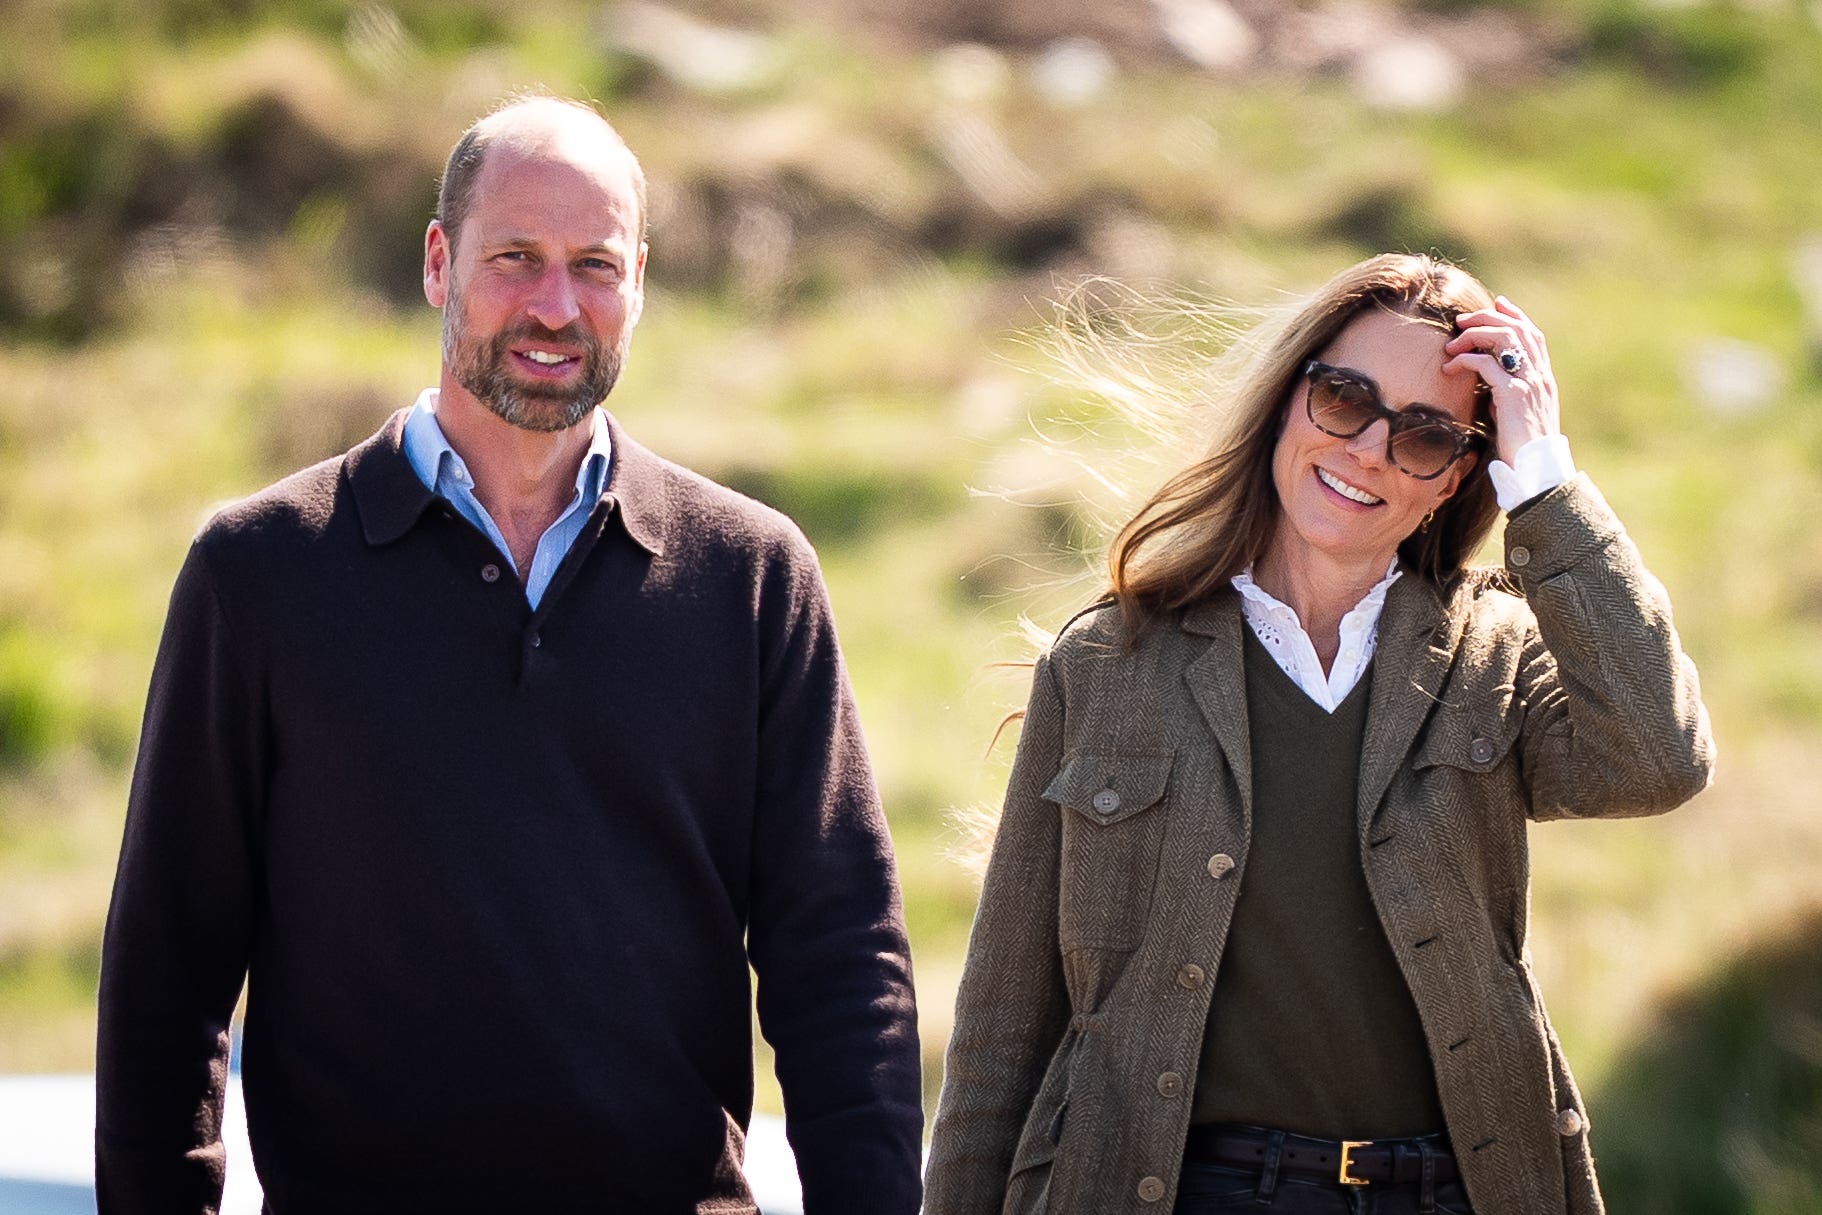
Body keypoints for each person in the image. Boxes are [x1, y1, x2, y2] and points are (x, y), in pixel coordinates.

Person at [95, 96, 923, 1214]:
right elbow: (167, 974)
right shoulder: (261, 572)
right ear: (439, 263)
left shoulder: (751, 575)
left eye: (595, 264)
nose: (555, 305)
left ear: (640, 280)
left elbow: (840, 959)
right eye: (515, 259)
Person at [923, 253, 1713, 1215]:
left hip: (1454, 1192)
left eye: (1426, 435)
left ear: (1460, 474)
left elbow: (1660, 756)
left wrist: (1545, 482)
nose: (1371, 450)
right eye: (1344, 398)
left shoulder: (1494, 653)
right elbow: (1004, 1026)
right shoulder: (1106, 662)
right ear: (1289, 402)